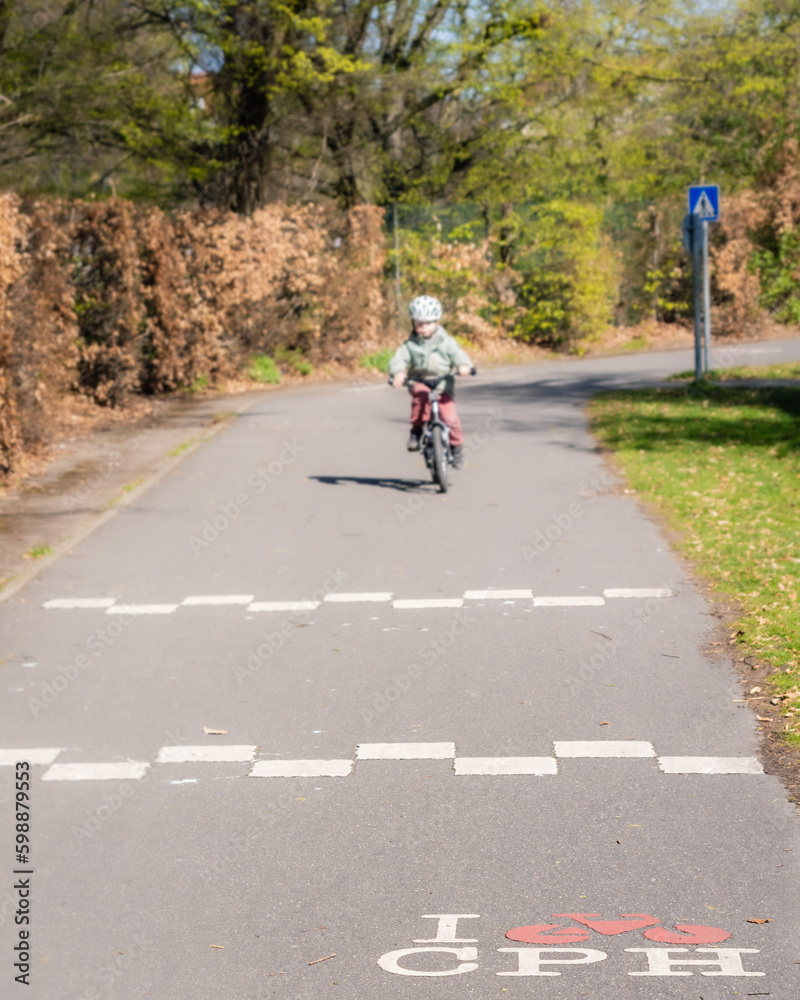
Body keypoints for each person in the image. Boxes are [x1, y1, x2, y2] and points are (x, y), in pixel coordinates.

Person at [388, 295, 473, 469]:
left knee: (450, 418)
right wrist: (398, 373)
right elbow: (399, 358)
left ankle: (456, 447)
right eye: (419, 324)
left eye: (427, 323)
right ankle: (416, 431)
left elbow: (458, 353)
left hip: (443, 384)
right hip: (420, 381)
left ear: (436, 322)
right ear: (413, 323)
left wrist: (464, 365)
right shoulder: (410, 345)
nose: (423, 328)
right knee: (421, 398)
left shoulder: (446, 342)